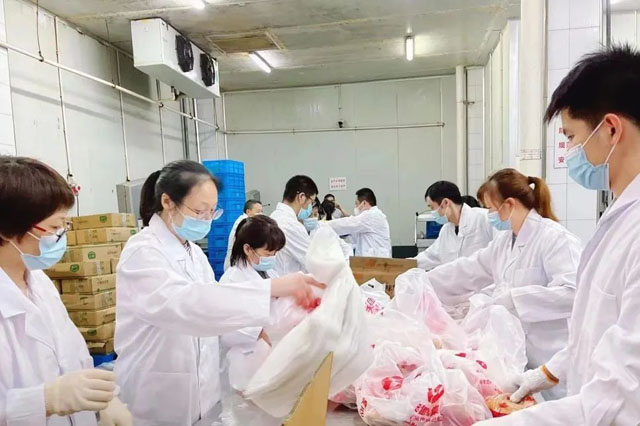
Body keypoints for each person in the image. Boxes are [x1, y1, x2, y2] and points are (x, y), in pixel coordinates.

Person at [477, 46, 640, 425]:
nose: (569, 152)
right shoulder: (619, 217)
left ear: (611, 129)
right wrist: (548, 373)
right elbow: (600, 334)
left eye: (571, 136)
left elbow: (620, 399)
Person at [115, 161, 324, 426]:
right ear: (168, 202)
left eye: (212, 212)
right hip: (156, 399)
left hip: (202, 396)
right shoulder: (142, 252)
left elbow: (216, 306)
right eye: (200, 211)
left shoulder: (194, 254)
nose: (206, 220)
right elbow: (187, 305)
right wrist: (272, 288)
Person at [426, 169, 581, 400]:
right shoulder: (503, 242)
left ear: (508, 204)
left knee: (558, 411)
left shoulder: (555, 238)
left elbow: (574, 293)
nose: (488, 215)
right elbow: (468, 270)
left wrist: (516, 299)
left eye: (490, 208)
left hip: (552, 360)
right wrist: (424, 283)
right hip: (518, 358)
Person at [0, 156, 131, 426]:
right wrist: (45, 400)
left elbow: (74, 353)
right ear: (6, 230)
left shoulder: (39, 282)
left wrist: (105, 398)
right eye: (54, 227)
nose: (61, 236)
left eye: (64, 226)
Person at [414, 181, 497, 271]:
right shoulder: (446, 230)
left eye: (432, 207)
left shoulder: (484, 219)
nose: (432, 212)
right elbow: (430, 256)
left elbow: (500, 252)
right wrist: (404, 264)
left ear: (445, 203)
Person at [270, 175, 319, 275]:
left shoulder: (274, 216)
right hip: (288, 280)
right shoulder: (291, 225)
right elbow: (314, 261)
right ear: (301, 197)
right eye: (311, 201)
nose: (310, 207)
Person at [326, 188, 392, 257]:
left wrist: (324, 224)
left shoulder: (372, 215)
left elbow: (348, 223)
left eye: (356, 204)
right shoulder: (369, 218)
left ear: (364, 203)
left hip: (378, 260)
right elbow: (353, 229)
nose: (356, 207)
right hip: (372, 259)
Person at [223, 199, 262, 271]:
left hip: (241, 263)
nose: (261, 214)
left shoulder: (247, 221)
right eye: (258, 212)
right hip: (237, 264)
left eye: (261, 211)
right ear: (248, 212)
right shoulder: (244, 223)